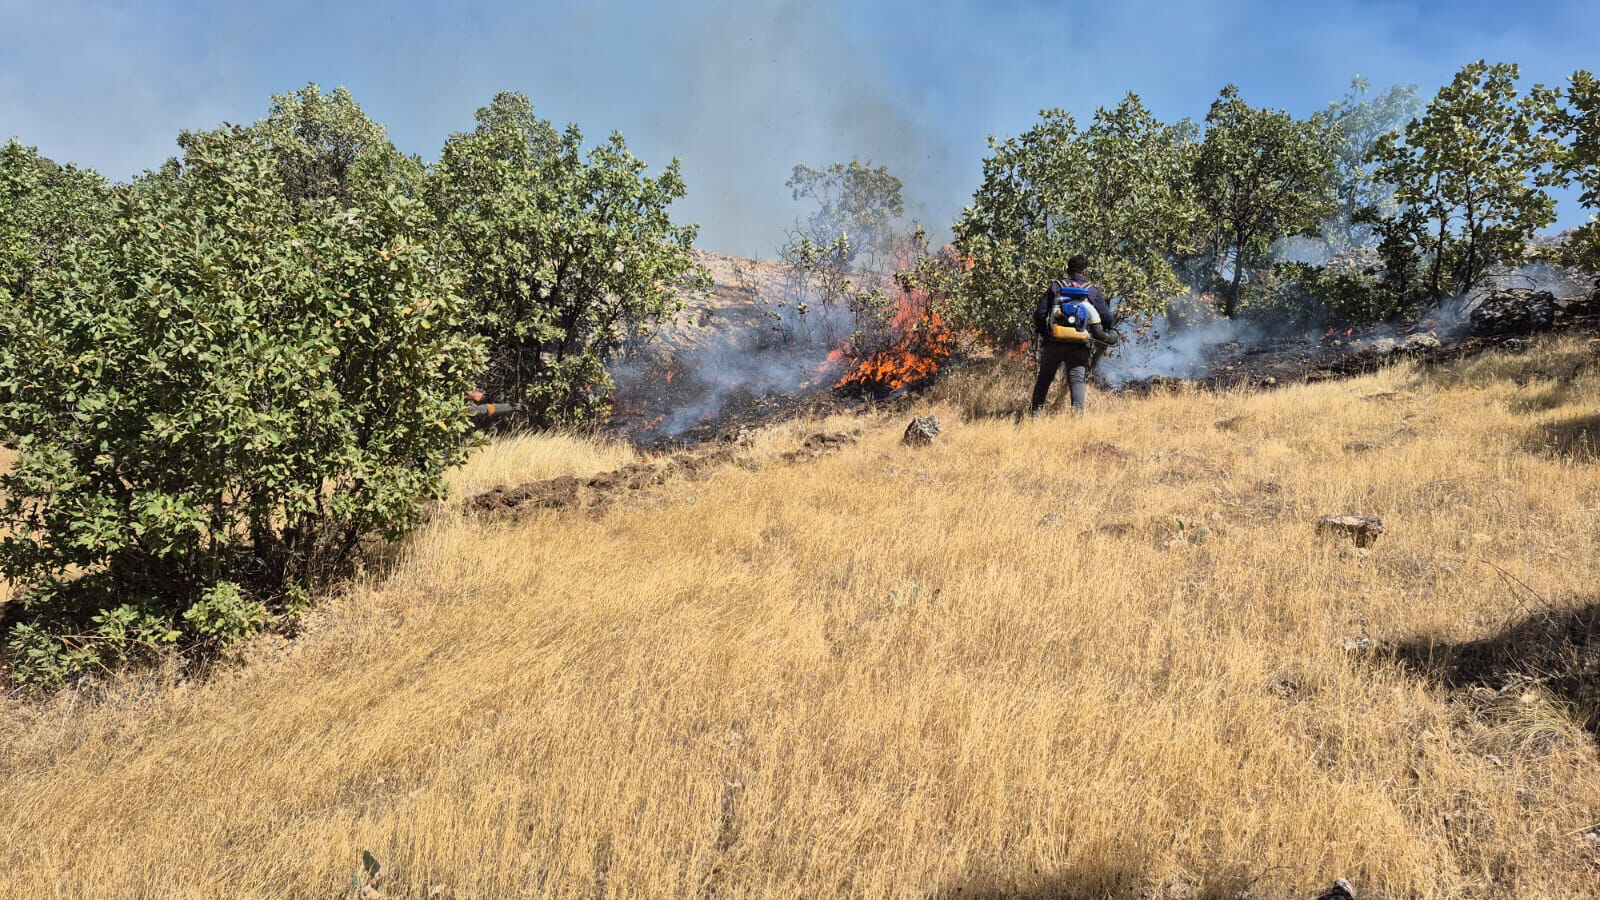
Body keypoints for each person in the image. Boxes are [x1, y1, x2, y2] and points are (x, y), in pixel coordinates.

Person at [1030, 255, 1118, 416]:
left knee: (1044, 380)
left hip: (1054, 342)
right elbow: (1106, 317)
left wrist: (1045, 333)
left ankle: (1034, 416)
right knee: (1076, 381)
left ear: (1067, 269)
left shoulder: (1056, 286)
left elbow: (1040, 313)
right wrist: (1106, 331)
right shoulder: (1091, 290)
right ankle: (1077, 419)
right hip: (1080, 344)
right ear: (1084, 272)